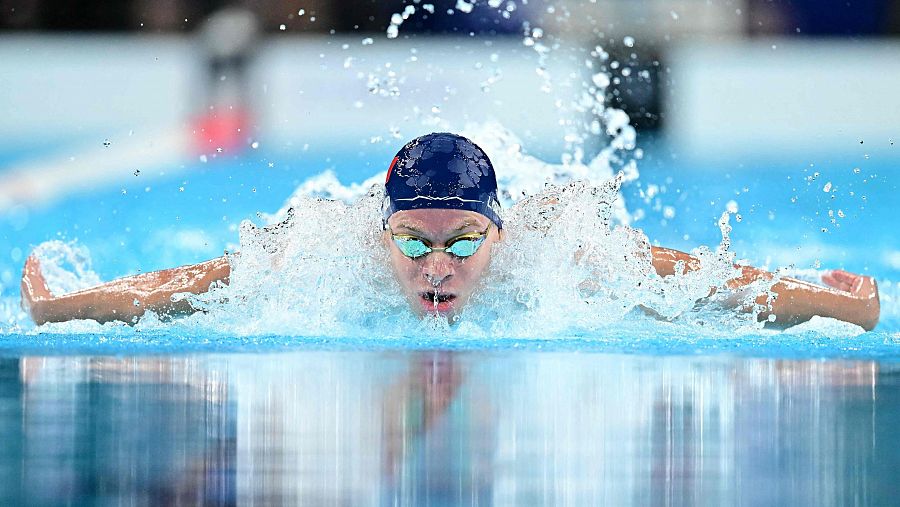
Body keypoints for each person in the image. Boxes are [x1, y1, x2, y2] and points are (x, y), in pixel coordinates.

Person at [20, 133, 881, 330]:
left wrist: (830, 303)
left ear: (498, 237)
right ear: (384, 234)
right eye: (418, 243)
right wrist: (70, 307)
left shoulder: (557, 244)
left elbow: (698, 280)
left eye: (465, 242)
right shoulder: (330, 244)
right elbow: (201, 282)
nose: (439, 264)